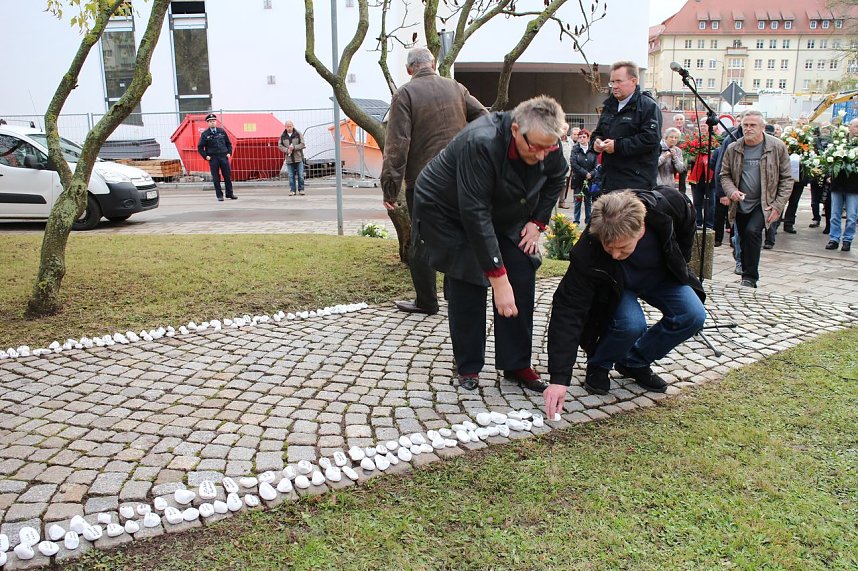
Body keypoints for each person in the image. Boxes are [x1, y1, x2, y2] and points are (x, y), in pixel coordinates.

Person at [412, 95, 567, 392]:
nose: (543, 155)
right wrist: (497, 279)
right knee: (468, 277)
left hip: (499, 207)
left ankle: (516, 363)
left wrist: (537, 222)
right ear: (515, 130)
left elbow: (557, 177)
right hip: (448, 211)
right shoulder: (480, 142)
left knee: (521, 269)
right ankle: (468, 365)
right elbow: (474, 213)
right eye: (535, 147)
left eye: (550, 147)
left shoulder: (548, 143)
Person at [544, 189, 706, 410]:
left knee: (693, 315)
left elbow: (687, 223)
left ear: (641, 230)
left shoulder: (666, 205)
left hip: (659, 276)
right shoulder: (589, 249)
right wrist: (559, 379)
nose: (614, 255)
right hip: (617, 284)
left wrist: (680, 262)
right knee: (631, 324)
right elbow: (568, 309)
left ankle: (634, 361)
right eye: (608, 248)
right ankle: (599, 364)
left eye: (622, 249)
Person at [380, 47, 487, 315]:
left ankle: (427, 301)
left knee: (423, 239)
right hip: (460, 176)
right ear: (433, 63)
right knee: (460, 233)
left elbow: (397, 144)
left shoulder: (405, 94)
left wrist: (390, 188)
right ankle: (456, 294)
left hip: (425, 181)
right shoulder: (456, 88)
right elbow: (485, 119)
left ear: (409, 69)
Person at [720, 110, 793, 288]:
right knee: (743, 238)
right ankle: (745, 272)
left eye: (753, 125)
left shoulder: (776, 147)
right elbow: (725, 175)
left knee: (753, 232)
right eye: (745, 125)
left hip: (765, 202)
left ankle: (750, 277)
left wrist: (778, 205)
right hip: (741, 203)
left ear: (762, 127)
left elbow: (787, 178)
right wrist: (732, 192)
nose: (748, 128)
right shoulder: (733, 148)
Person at [592, 61, 662, 191]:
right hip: (609, 180)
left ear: (633, 81)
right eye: (612, 82)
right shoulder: (609, 106)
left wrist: (617, 146)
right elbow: (599, 132)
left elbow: (650, 139)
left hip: (636, 182)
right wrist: (596, 142)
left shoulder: (647, 106)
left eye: (619, 81)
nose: (614, 86)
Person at [824, 118, 858, 252]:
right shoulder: (839, 142)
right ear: (849, 127)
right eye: (855, 126)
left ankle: (848, 239)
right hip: (838, 183)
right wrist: (828, 175)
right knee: (835, 214)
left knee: (851, 215)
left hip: (854, 186)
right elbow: (828, 160)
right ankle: (834, 239)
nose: (857, 130)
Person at [197, 113, 236, 201]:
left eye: (213, 121)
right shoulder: (205, 134)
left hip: (223, 156)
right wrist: (205, 156)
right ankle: (219, 195)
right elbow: (200, 147)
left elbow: (228, 143)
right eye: (210, 121)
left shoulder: (221, 131)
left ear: (216, 122)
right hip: (213, 158)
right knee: (216, 177)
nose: (212, 123)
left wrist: (229, 152)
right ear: (208, 123)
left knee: (227, 176)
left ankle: (230, 194)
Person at [569, 128, 599, 224]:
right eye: (580, 137)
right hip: (578, 179)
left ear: (588, 138)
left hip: (589, 180)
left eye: (584, 137)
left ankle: (588, 219)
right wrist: (585, 173)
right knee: (578, 200)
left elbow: (596, 166)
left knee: (588, 201)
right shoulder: (575, 150)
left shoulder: (592, 150)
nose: (582, 139)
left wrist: (591, 174)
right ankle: (576, 220)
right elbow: (574, 164)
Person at [279, 121, 306, 196]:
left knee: (300, 175)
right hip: (289, 159)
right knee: (291, 176)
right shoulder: (283, 136)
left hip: (298, 158)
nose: (289, 128)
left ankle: (301, 189)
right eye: (287, 126)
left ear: (293, 126)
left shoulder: (298, 134)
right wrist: (287, 150)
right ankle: (292, 190)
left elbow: (303, 144)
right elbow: (280, 146)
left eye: (290, 126)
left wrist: (294, 147)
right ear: (285, 127)